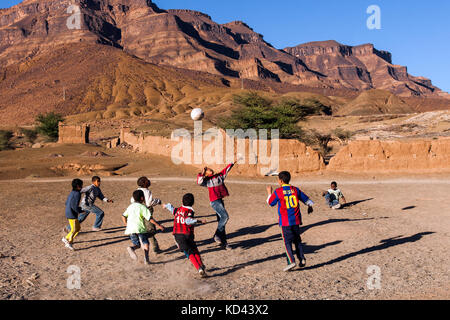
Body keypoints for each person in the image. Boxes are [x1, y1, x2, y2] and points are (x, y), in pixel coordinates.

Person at [266, 171, 314, 272]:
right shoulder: (295, 189)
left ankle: (291, 261)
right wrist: (309, 206)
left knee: (287, 241)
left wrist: (269, 193)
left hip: (285, 222)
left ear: (281, 181)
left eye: (278, 180)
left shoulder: (278, 191)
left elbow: (271, 203)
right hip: (296, 220)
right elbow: (307, 200)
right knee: (297, 240)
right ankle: (302, 259)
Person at [163, 193, 207, 277]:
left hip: (177, 235)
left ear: (181, 201)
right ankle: (200, 266)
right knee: (194, 250)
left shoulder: (178, 210)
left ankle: (200, 268)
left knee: (189, 252)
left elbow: (171, 208)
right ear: (193, 203)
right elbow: (187, 221)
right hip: (187, 234)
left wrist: (166, 205)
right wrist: (199, 221)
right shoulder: (190, 211)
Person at [197, 162, 235, 249]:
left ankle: (224, 243)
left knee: (222, 222)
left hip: (220, 201)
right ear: (206, 174)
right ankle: (217, 235)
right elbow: (199, 182)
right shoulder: (206, 181)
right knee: (225, 217)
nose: (210, 169)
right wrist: (202, 173)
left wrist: (233, 162)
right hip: (215, 202)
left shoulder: (219, 176)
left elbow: (227, 169)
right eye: (208, 170)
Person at [122, 190, 165, 265]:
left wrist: (126, 224)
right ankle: (146, 259)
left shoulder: (130, 206)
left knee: (137, 245)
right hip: (140, 228)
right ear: (142, 198)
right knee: (146, 243)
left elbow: (123, 216)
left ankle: (132, 248)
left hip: (131, 229)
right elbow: (150, 219)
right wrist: (159, 226)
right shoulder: (143, 207)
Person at [130, 177, 163, 254]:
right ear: (145, 183)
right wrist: (158, 201)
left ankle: (154, 247)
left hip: (138, 212)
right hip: (147, 211)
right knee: (151, 231)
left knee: (145, 229)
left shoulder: (137, 191)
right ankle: (155, 248)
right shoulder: (147, 191)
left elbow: (132, 200)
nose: (149, 181)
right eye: (147, 180)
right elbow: (149, 203)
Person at [62, 179, 85, 251]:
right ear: (78, 186)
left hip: (69, 212)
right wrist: (80, 211)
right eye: (81, 185)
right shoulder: (77, 194)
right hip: (72, 214)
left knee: (77, 228)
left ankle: (66, 238)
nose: (82, 186)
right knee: (74, 229)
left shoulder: (72, 192)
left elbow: (66, 203)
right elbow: (74, 206)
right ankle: (68, 242)